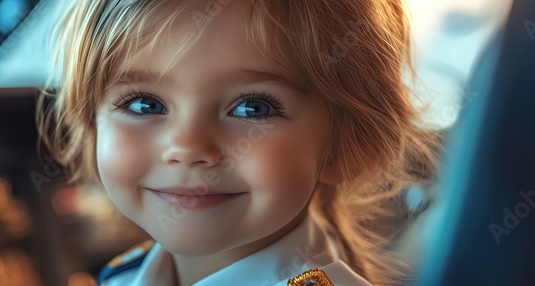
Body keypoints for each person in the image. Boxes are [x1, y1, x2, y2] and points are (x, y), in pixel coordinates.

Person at [40, 0, 440, 284]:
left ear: (353, 146)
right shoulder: (123, 276)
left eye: (252, 108)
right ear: (91, 130)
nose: (188, 147)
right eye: (145, 104)